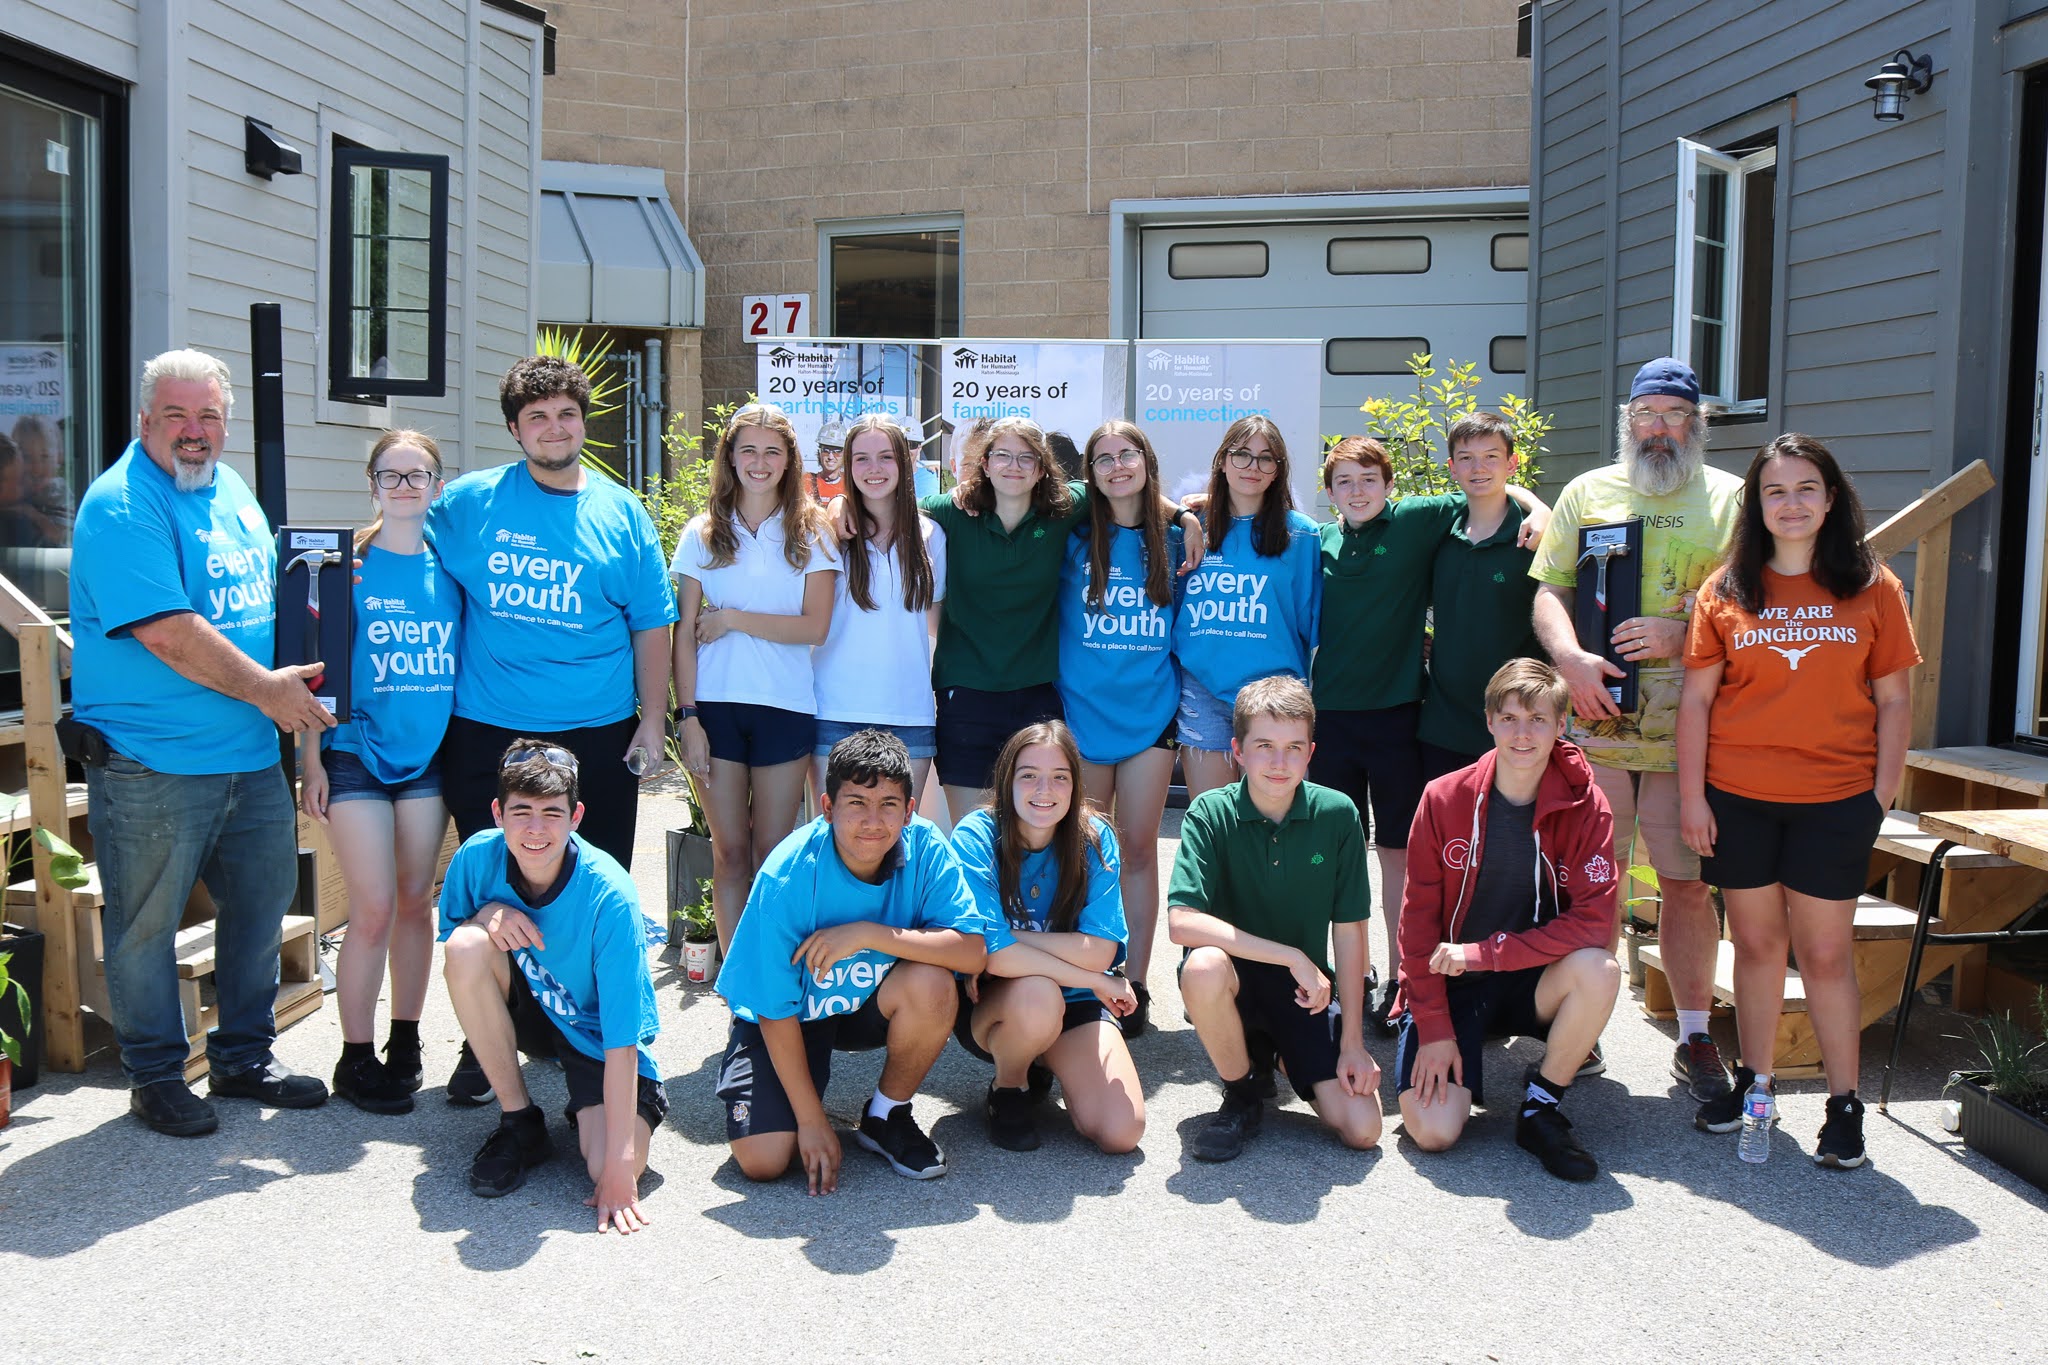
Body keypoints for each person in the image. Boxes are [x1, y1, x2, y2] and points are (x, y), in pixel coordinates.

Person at [69, 348, 333, 1135]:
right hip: (155, 761)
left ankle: (243, 1056)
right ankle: (154, 1074)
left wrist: (327, 604)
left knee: (258, 906)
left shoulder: (229, 488)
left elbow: (264, 597)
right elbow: (169, 633)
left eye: (209, 416)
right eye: (178, 416)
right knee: (146, 923)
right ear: (145, 420)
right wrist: (271, 692)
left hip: (248, 755)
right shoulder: (122, 505)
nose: (195, 431)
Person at [429, 354, 676, 1104]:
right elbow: (403, 543)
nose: (553, 427)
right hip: (489, 731)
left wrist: (654, 719)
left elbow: (652, 621)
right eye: (537, 417)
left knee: (591, 892)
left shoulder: (622, 511)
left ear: (583, 422)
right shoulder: (469, 503)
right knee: (491, 894)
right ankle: (488, 1039)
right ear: (514, 429)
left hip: (597, 733)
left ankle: (595, 1037)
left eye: (566, 414)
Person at [1678, 435, 1918, 1169]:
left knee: (1822, 951)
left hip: (1835, 800)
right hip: (1739, 798)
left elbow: (1895, 698)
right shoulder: (1726, 589)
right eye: (1775, 491)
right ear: (1757, 503)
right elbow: (1696, 700)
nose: (1791, 503)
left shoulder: (1874, 586)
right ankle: (1757, 1085)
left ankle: (1844, 1105)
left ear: (1831, 499)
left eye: (1806, 488)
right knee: (1755, 945)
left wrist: (1880, 794)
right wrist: (1693, 795)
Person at [1528, 357, 1743, 1098]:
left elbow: (1757, 610)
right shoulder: (1589, 492)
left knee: (1684, 886)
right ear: (1629, 422)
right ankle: (1577, 1031)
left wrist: (1681, 632)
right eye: (1646, 414)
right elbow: (1551, 592)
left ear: (1696, 423)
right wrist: (1569, 659)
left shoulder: (1732, 502)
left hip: (1693, 729)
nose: (1658, 428)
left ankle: (1695, 1037)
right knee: (1592, 881)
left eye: (1673, 414)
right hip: (1598, 723)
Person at [1309, 431, 1548, 1034]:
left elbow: (1489, 484)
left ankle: (1401, 978)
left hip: (1397, 717)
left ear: (1392, 486)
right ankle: (1344, 978)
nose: (1357, 491)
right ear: (1329, 491)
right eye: (1344, 481)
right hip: (1330, 719)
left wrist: (1540, 509)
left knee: (1399, 855)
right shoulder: (1320, 542)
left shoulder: (1417, 519)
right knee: (1333, 858)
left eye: (1369, 479)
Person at [715, 729, 987, 1191]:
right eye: (856, 802)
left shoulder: (926, 846)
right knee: (763, 1161)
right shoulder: (787, 874)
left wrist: (864, 934)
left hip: (868, 1002)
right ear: (826, 808)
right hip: (794, 1014)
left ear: (910, 809)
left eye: (888, 805)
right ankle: (777, 1092)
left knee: (934, 981)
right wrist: (812, 1120)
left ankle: (887, 1114)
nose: (873, 821)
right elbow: (773, 1008)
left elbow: (972, 950)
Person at [1395, 659, 1623, 1182]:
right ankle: (1453, 1043)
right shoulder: (1442, 798)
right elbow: (1416, 927)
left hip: (1527, 980)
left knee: (1599, 968)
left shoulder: (1588, 806)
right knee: (1434, 1133)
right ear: (1489, 721)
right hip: (1452, 982)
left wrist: (1484, 954)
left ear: (1561, 724)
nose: (1523, 734)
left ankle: (1541, 1107)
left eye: (1538, 720)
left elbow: (1592, 925)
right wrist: (1432, 1027)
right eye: (1511, 718)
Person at [910, 416, 1202, 820]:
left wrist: (1183, 517)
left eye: (1026, 457)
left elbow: (1124, 488)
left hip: (1037, 697)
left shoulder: (1063, 509)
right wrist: (838, 504)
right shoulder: (951, 511)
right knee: (971, 834)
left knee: (1036, 835)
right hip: (967, 696)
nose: (1014, 466)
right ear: (984, 463)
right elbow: (892, 505)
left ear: (1043, 467)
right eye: (1003, 456)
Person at [438, 742, 664, 1230]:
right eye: (521, 811)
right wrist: (484, 913)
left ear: (576, 816)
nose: (536, 829)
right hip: (531, 1014)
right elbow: (453, 932)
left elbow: (624, 1040)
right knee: (465, 947)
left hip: (598, 1036)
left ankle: (604, 1113)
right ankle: (520, 1123)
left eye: (551, 813)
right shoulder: (477, 857)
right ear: (498, 812)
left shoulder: (610, 893)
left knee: (607, 1167)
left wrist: (622, 1165)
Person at [299, 430, 458, 1114]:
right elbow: (312, 670)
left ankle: (407, 1039)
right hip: (354, 753)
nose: (403, 487)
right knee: (370, 908)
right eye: (390, 476)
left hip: (426, 758)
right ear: (371, 487)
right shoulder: (346, 567)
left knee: (416, 899)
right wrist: (310, 760)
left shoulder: (451, 565)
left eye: (416, 475)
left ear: (436, 486)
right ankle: (355, 1056)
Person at [1166, 676, 1381, 1162]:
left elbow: (1350, 933)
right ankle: (1240, 1093)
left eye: (1292, 747)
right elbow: (1182, 921)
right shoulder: (1209, 811)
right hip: (1235, 980)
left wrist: (1352, 1043)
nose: (1279, 763)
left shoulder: (1338, 813)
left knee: (1362, 1128)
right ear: (1238, 750)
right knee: (1201, 968)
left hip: (1303, 993)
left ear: (1311, 751)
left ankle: (1276, 1055)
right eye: (1264, 746)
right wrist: (1291, 955)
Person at [672, 403, 838, 951]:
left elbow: (815, 627)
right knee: (729, 854)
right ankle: (737, 985)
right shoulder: (702, 533)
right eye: (749, 449)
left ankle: (767, 973)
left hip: (785, 707)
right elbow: (683, 635)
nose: (760, 462)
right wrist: (688, 716)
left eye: (773, 450)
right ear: (730, 457)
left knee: (773, 852)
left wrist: (734, 620)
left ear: (790, 460)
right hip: (715, 710)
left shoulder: (813, 532)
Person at [950, 722, 1145, 1154]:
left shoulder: (1095, 838)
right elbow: (994, 960)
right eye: (1029, 775)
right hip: (1001, 1003)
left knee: (1121, 1132)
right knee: (1039, 995)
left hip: (1074, 1001)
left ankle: (1045, 1056)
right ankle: (1010, 1086)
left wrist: (1010, 938)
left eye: (1060, 776)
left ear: (1075, 785)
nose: (1045, 788)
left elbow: (1100, 951)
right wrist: (1095, 979)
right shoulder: (976, 834)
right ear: (1007, 781)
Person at [1056, 420, 1181, 1036]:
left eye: (1126, 454)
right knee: (1084, 853)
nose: (1116, 466)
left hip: (1151, 716)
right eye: (1102, 458)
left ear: (1145, 461)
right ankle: (1088, 976)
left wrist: (1188, 514)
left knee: (1136, 847)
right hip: (1080, 717)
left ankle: (1136, 980)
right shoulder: (1072, 535)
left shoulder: (1178, 539)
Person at [1174, 416, 1320, 805]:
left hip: (1276, 696)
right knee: (1215, 823)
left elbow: (1309, 623)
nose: (1253, 467)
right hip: (1202, 693)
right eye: (1242, 455)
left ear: (1278, 471)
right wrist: (1183, 515)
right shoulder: (1192, 528)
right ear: (1222, 462)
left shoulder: (1302, 533)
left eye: (1265, 459)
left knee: (1273, 826)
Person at [810, 415, 945, 797]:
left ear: (905, 462)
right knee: (836, 840)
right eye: (861, 458)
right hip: (833, 713)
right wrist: (835, 505)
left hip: (910, 715)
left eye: (886, 457)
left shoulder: (931, 535)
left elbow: (934, 623)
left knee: (899, 842)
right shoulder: (825, 531)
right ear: (847, 466)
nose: (874, 469)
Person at [1418, 412, 1547, 779]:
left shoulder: (1535, 538)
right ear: (1451, 467)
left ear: (1512, 463)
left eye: (1492, 456)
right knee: (1449, 834)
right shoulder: (1437, 532)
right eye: (1466, 458)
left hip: (1518, 723)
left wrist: (1539, 508)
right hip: (1444, 724)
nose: (1479, 468)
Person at [810, 419, 847, 502]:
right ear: (819, 452)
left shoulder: (851, 484)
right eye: (826, 450)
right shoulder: (806, 482)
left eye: (837, 451)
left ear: (845, 454)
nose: (830, 456)